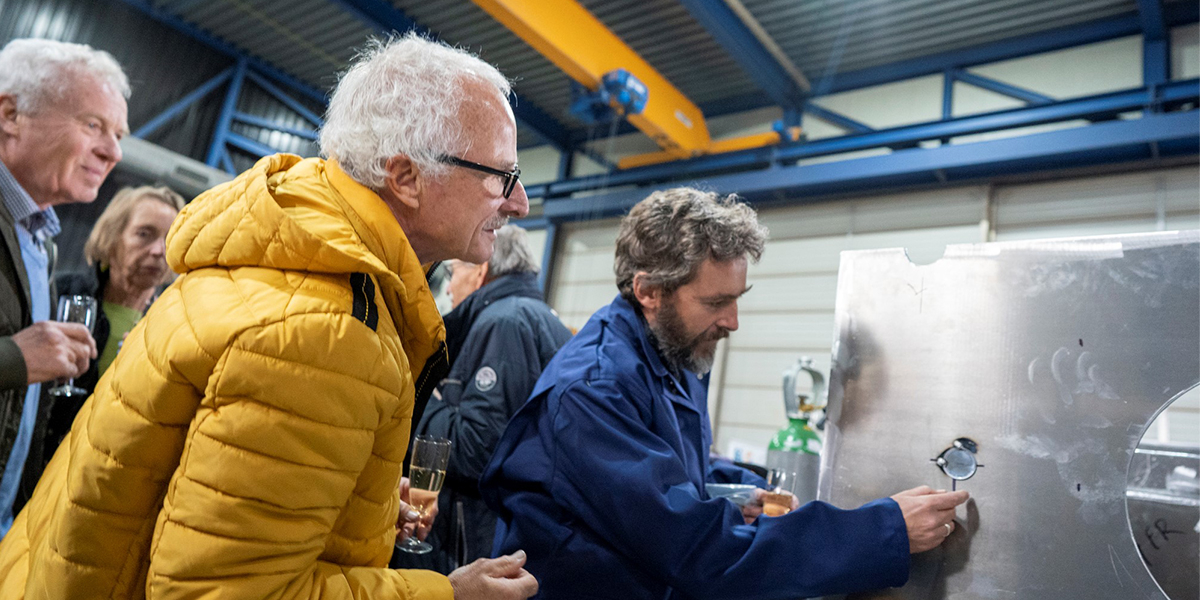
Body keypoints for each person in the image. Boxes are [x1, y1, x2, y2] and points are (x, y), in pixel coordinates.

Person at [0, 33, 538, 600]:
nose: (519, 201)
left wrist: (367, 499)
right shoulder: (325, 333)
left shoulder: (276, 262)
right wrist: (444, 594)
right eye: (500, 176)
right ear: (405, 177)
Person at [480, 187, 970, 599]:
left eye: (737, 299)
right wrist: (883, 532)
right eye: (716, 302)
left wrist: (739, 486)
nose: (732, 322)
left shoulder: (671, 352)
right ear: (648, 290)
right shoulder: (593, 391)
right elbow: (694, 547)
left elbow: (669, 460)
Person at [0, 38, 127, 537]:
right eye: (93, 125)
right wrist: (14, 358)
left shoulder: (40, 237)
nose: (113, 150)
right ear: (10, 114)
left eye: (119, 133)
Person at [409, 225, 572, 572]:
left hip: (477, 537)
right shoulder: (539, 318)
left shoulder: (504, 323)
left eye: (452, 273)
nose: (449, 287)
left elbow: (477, 448)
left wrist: (421, 399)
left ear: (481, 270)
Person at [45, 185, 186, 456]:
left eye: (170, 239)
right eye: (144, 234)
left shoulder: (173, 326)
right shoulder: (59, 293)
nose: (159, 250)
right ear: (112, 237)